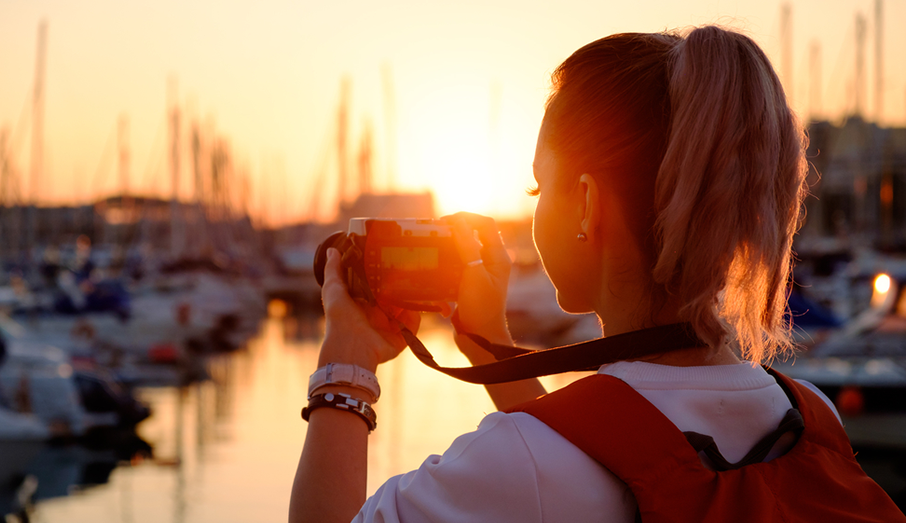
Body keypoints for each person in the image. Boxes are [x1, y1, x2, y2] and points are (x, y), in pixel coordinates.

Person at [290, 26, 904, 522]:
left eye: (539, 185)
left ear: (584, 204)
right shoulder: (810, 419)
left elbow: (554, 470)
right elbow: (603, 449)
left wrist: (346, 363)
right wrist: (486, 342)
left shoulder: (515, 466)